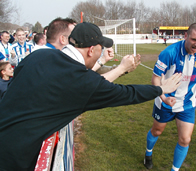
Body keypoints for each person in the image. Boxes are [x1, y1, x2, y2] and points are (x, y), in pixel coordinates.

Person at [0, 21, 182, 170]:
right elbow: (127, 93)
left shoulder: (37, 56)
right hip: (14, 158)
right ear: (91, 50)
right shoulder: (83, 80)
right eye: (100, 50)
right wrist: (161, 89)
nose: (100, 55)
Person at [143, 23, 196, 170]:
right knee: (157, 131)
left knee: (185, 139)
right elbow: (155, 79)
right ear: (185, 36)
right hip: (166, 101)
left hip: (187, 103)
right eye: (194, 40)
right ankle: (148, 153)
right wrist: (164, 98)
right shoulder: (169, 53)